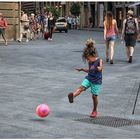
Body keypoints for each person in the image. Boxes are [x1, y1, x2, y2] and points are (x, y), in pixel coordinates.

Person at [68, 38, 103, 118]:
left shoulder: (99, 60)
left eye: (88, 58)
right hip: (89, 78)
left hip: (96, 81)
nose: (87, 60)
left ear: (93, 55)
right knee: (81, 88)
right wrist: (82, 69)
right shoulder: (90, 62)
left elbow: (100, 68)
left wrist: (98, 68)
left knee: (94, 96)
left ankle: (94, 110)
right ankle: (72, 96)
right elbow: (90, 70)